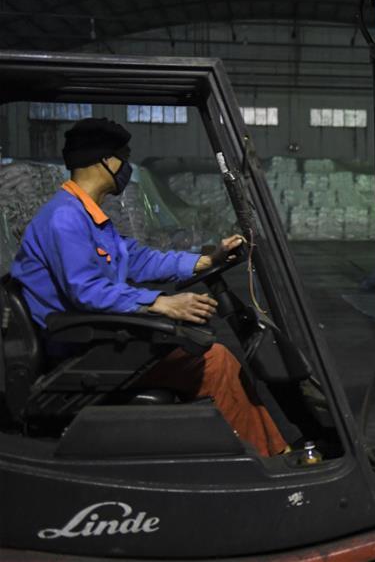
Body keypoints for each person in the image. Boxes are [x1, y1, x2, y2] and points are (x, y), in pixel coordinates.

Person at [10, 117, 287, 456]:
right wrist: (160, 303)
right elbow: (88, 291)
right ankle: (270, 458)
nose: (126, 167)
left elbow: (137, 260)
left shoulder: (88, 216)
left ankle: (257, 450)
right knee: (215, 361)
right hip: (80, 350)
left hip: (95, 338)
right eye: (124, 158)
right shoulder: (65, 218)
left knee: (202, 346)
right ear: (106, 161)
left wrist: (206, 261)